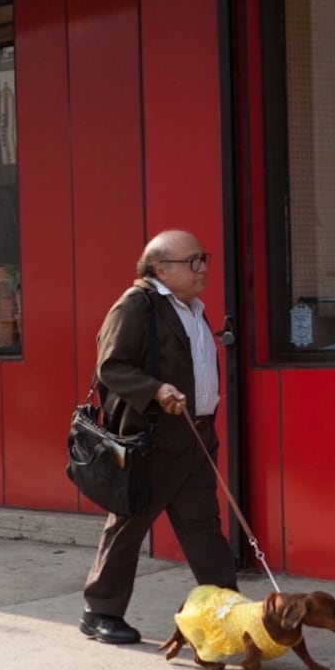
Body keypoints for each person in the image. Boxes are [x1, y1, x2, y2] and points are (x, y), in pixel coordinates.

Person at [79, 229, 238, 644]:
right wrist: (156, 390)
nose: (202, 268)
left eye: (203, 259)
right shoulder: (137, 305)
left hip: (196, 437)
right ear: (160, 268)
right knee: (129, 524)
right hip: (150, 438)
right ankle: (100, 612)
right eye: (192, 262)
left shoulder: (192, 308)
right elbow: (110, 367)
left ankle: (230, 611)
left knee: (203, 526)